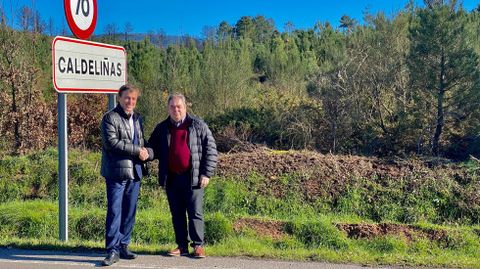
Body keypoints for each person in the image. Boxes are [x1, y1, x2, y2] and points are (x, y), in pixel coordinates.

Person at [149, 93, 217, 258]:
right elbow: (152, 148)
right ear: (168, 108)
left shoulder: (198, 125)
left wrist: (206, 173)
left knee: (195, 212)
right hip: (172, 177)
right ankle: (181, 246)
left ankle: (198, 246)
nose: (176, 110)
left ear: (185, 107)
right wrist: (143, 152)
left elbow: (211, 150)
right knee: (177, 214)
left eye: (179, 106)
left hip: (192, 177)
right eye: (172, 107)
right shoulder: (162, 127)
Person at [100, 84, 153, 266]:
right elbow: (112, 144)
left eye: (133, 99)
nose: (130, 102)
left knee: (129, 211)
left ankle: (124, 245)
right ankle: (112, 250)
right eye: (127, 98)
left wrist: (147, 151)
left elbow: (141, 141)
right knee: (115, 211)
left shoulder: (137, 118)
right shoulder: (110, 118)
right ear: (119, 98)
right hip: (116, 172)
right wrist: (138, 150)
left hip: (135, 171)